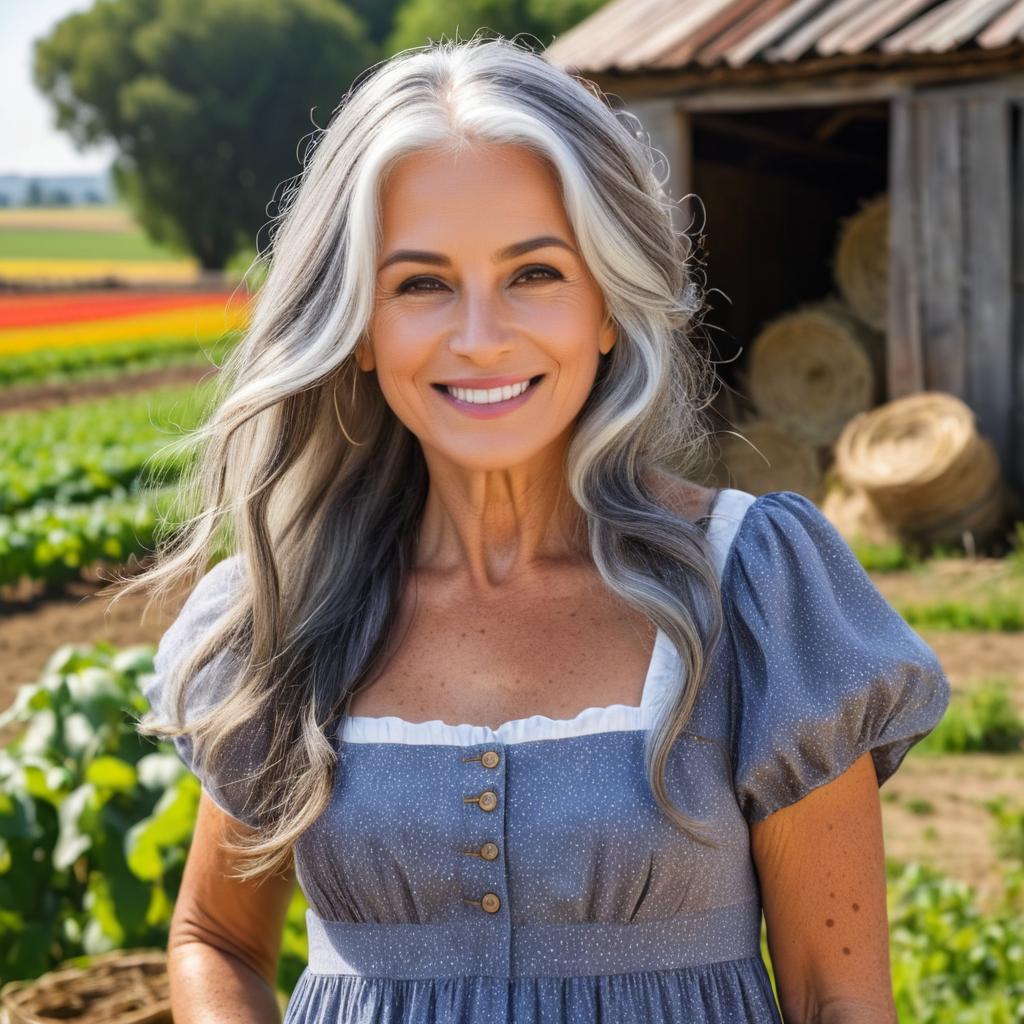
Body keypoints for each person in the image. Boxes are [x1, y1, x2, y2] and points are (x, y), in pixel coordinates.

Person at [130, 34, 950, 1024]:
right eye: (420, 283)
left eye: (535, 274)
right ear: (357, 326)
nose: (480, 335)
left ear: (607, 304)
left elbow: (837, 996)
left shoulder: (755, 588)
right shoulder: (289, 610)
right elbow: (215, 940)